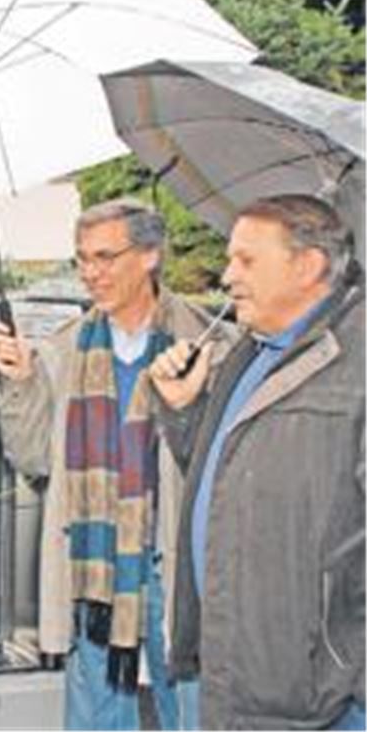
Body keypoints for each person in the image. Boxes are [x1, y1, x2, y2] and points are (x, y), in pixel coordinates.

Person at [0, 198, 231, 730]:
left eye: (104, 256)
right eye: (81, 259)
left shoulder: (211, 342)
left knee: (191, 715)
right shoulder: (64, 348)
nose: (90, 273)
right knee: (95, 715)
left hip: (174, 564)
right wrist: (22, 383)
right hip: (92, 570)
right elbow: (30, 458)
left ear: (150, 255)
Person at [149, 194, 365, 730]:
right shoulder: (247, 350)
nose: (227, 276)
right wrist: (184, 412)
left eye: (246, 260)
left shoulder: (357, 360)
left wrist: (347, 672)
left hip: (319, 696)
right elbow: (229, 475)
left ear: (308, 266)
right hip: (231, 671)